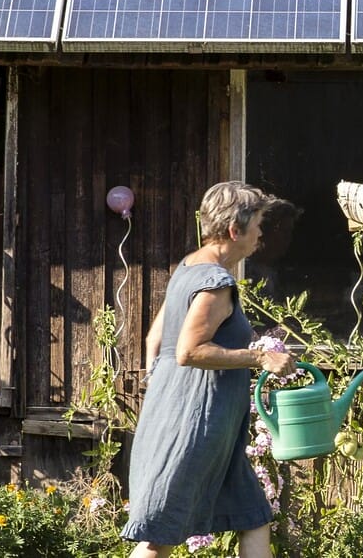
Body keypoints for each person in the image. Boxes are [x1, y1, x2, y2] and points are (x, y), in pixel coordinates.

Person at [123, 181, 297, 558]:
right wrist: (259, 358)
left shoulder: (189, 267)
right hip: (197, 423)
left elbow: (157, 339)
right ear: (235, 230)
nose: (261, 235)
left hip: (199, 419)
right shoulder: (216, 283)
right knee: (159, 534)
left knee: (253, 515)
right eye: (258, 226)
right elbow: (189, 351)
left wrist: (166, 393)